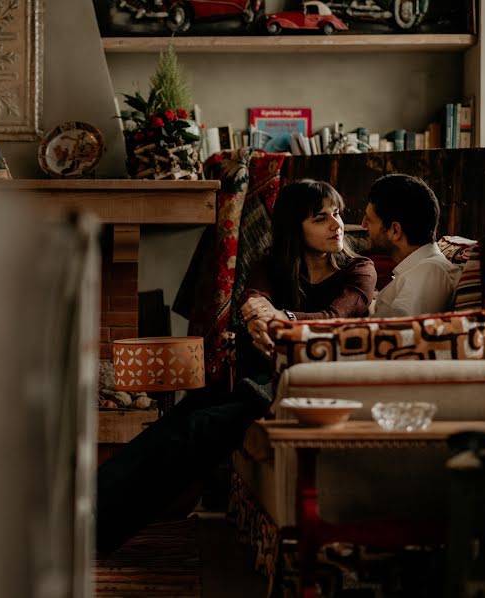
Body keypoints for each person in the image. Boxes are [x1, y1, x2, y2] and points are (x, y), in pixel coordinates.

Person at [96, 179, 376, 554]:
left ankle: (100, 532)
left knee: (196, 429)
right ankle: (82, 510)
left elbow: (334, 316)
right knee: (170, 425)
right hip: (253, 378)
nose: (337, 224)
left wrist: (279, 318)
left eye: (337, 214)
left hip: (298, 388)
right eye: (321, 218)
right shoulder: (271, 263)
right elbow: (253, 300)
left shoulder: (359, 270)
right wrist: (261, 319)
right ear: (295, 227)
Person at [361, 174, 461, 317]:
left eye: (369, 220)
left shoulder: (430, 271)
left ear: (395, 231)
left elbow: (393, 334)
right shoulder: (419, 270)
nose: (363, 224)